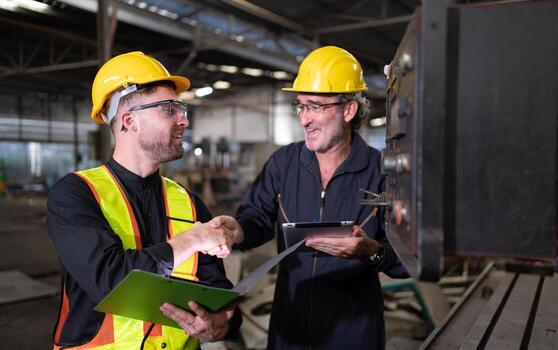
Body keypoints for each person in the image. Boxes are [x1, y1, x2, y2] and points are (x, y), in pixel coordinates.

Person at [212, 46, 409, 349]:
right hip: (288, 331)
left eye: (315, 106)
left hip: (353, 335)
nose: (304, 119)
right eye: (301, 106)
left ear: (349, 110)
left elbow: (407, 260)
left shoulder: (380, 171)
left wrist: (371, 250)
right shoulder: (283, 163)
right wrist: (236, 230)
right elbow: (256, 220)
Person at [47, 51, 240, 349]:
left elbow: (218, 292)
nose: (184, 120)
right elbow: (109, 281)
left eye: (182, 108)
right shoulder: (76, 194)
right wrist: (191, 240)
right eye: (169, 109)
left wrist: (222, 323)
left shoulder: (188, 202)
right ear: (128, 121)